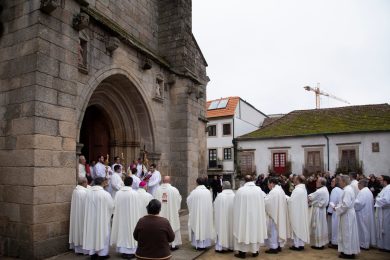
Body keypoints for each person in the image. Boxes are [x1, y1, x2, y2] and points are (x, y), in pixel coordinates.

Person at [233, 175, 267, 258]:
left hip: (243, 217)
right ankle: (255, 251)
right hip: (255, 217)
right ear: (252, 180)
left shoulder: (240, 191)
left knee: (243, 231)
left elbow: (235, 204)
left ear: (245, 181)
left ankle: (242, 253)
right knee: (254, 232)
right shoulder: (259, 190)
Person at [82, 177, 114, 259]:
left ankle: (93, 253)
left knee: (92, 234)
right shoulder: (105, 194)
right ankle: (102, 254)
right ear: (102, 183)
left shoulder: (88, 193)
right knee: (102, 234)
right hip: (102, 219)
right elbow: (111, 206)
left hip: (91, 218)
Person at [110, 177, 141, 259]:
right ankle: (131, 251)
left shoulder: (118, 193)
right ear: (131, 183)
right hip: (132, 217)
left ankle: (123, 250)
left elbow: (115, 205)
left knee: (122, 232)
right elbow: (138, 206)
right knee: (130, 232)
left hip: (121, 217)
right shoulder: (134, 193)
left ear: (124, 182)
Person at [154, 176, 182, 250]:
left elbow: (154, 201)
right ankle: (173, 244)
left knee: (161, 228)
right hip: (172, 214)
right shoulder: (174, 190)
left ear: (163, 181)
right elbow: (179, 200)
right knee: (172, 226)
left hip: (160, 214)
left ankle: (161, 244)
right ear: (169, 181)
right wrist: (175, 209)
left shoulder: (157, 190)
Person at [335, 175, 360, 259]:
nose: (339, 182)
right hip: (348, 213)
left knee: (347, 233)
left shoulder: (347, 190)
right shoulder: (348, 189)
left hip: (347, 215)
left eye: (340, 181)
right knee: (349, 233)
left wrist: (336, 208)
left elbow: (345, 205)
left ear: (344, 182)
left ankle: (347, 253)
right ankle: (349, 251)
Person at [187, 176, 214, 250]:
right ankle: (205, 244)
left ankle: (198, 244)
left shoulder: (194, 192)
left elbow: (188, 201)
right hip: (205, 214)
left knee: (197, 227)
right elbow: (210, 203)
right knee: (204, 227)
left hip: (196, 214)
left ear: (197, 183)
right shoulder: (208, 192)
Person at [264, 177, 290, 254]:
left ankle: (273, 248)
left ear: (272, 183)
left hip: (274, 215)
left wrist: (263, 200)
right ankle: (278, 246)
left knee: (273, 231)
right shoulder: (280, 189)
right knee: (277, 230)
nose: (268, 185)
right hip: (279, 213)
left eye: (268, 184)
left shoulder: (274, 192)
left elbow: (268, 203)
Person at [287, 175, 310, 251]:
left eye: (294, 179)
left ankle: (296, 245)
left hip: (297, 212)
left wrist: (286, 198)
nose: (293, 180)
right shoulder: (303, 189)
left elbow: (291, 201)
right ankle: (301, 244)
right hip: (301, 211)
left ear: (297, 181)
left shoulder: (297, 190)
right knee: (301, 227)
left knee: (296, 226)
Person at [308, 177, 329, 250]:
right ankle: (321, 243)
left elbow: (310, 197)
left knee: (317, 226)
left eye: (317, 181)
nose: (316, 182)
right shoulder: (325, 189)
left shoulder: (320, 191)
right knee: (321, 226)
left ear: (321, 183)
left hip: (318, 210)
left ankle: (318, 244)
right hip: (322, 211)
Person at [354, 179, 376, 250]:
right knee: (366, 228)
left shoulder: (363, 192)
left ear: (361, 184)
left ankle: (364, 244)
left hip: (362, 214)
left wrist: (352, 203)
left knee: (363, 229)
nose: (358, 186)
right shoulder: (368, 191)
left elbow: (359, 203)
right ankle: (366, 243)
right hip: (366, 213)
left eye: (358, 184)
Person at [214, 181, 235, 253]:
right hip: (232, 219)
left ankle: (222, 247)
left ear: (223, 187)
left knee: (222, 230)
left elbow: (215, 206)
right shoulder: (234, 195)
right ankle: (231, 246)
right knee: (231, 229)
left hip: (222, 219)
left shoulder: (220, 196)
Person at [69, 177, 89, 255]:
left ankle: (77, 249)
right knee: (82, 230)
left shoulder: (75, 190)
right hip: (83, 215)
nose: (87, 184)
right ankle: (82, 249)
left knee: (77, 229)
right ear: (84, 183)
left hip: (76, 215)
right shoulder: (83, 192)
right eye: (86, 183)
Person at [375, 175, 390, 252]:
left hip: (386, 212)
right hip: (382, 211)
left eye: (380, 180)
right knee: (383, 228)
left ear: (385, 181)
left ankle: (387, 247)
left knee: (386, 229)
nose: (379, 181)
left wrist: (377, 199)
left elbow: (387, 201)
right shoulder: (385, 188)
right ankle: (383, 245)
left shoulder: (388, 188)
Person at [328, 176, 343, 248]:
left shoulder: (335, 190)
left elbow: (332, 202)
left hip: (335, 211)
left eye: (333, 181)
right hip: (339, 211)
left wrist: (329, 212)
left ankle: (334, 242)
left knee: (334, 227)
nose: (331, 182)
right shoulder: (340, 190)